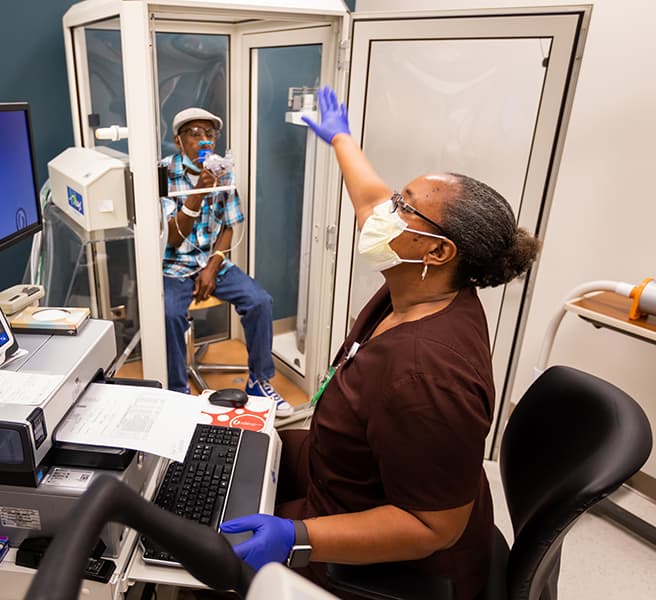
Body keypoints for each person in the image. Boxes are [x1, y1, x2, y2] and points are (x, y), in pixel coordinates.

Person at [218, 87, 541, 600]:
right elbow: (369, 197)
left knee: (207, 556)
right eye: (398, 198)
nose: (385, 212)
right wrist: (340, 136)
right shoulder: (422, 286)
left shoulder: (426, 371)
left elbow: (433, 527)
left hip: (396, 566)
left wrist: (296, 536)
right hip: (351, 476)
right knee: (234, 455)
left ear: (436, 249)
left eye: (404, 207)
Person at [160, 107, 293, 417]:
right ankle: (177, 392)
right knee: (168, 316)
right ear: (179, 142)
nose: (204, 140)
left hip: (212, 261)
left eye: (210, 134)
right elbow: (173, 238)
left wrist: (212, 265)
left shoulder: (224, 172)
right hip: (172, 266)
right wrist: (199, 190)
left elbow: (230, 226)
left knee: (260, 302)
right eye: (195, 134)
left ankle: (259, 380)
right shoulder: (164, 174)